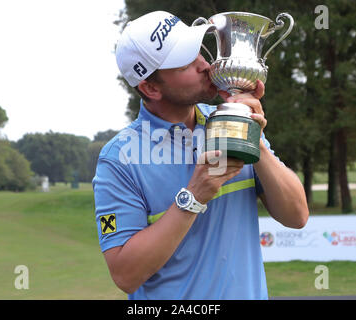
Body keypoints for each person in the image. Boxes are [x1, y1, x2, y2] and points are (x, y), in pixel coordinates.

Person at [92, 10, 309, 300]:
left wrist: (253, 140)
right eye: (185, 63)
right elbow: (125, 274)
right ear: (150, 87)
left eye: (197, 51)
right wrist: (193, 197)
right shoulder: (119, 160)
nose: (204, 65)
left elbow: (297, 216)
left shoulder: (230, 122)